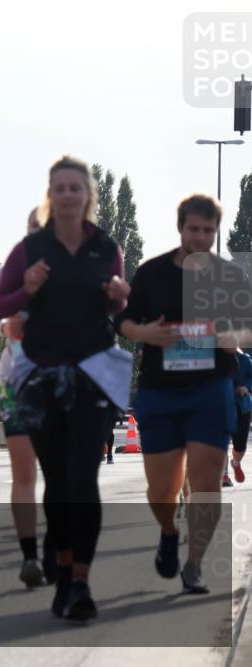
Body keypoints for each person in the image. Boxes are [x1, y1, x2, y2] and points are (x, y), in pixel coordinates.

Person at [0, 155, 131, 621]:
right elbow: (1, 306)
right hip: (43, 378)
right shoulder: (30, 249)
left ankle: (82, 582)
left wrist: (119, 299)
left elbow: (116, 310)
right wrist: (27, 288)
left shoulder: (106, 247)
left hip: (91, 375)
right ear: (49, 195)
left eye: (76, 187)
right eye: (60, 188)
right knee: (57, 482)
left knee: (83, 479)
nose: (68, 195)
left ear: (87, 194)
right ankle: (65, 569)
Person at [116, 194, 243, 595]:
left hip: (211, 389)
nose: (201, 237)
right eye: (194, 229)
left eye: (208, 230)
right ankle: (169, 532)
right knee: (161, 491)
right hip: (161, 390)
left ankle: (195, 565)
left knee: (206, 483)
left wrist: (233, 338)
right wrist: (145, 333)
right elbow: (124, 320)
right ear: (180, 228)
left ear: (216, 231)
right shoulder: (152, 272)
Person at [0, 207, 52, 586]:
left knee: (60, 474)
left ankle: (56, 545)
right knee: (24, 472)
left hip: (61, 383)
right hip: (15, 383)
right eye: (32, 228)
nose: (37, 234)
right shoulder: (12, 267)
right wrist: (6, 326)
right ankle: (29, 557)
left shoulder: (74, 270)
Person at [231, 348, 252, 483]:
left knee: (240, 445)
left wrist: (246, 386)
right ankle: (223, 474)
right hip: (222, 406)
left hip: (243, 406)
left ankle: (236, 463)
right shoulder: (214, 359)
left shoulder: (245, 359)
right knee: (220, 441)